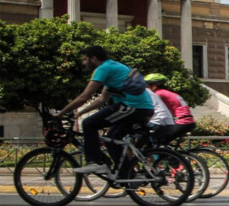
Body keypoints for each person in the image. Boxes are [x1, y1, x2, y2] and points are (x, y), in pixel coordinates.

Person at [56, 46, 154, 174]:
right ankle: (128, 175)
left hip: (132, 107)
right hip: (142, 108)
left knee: (89, 123)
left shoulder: (103, 69)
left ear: (94, 58)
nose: (84, 63)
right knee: (112, 138)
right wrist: (80, 112)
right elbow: (102, 99)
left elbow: (84, 97)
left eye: (85, 59)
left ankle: (95, 162)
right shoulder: (114, 67)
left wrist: (61, 114)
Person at [144, 73, 196, 146]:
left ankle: (165, 153)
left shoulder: (159, 94)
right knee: (161, 140)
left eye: (147, 86)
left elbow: (154, 108)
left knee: (160, 142)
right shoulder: (166, 92)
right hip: (188, 121)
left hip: (183, 122)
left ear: (154, 86)